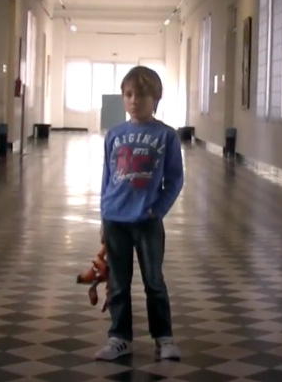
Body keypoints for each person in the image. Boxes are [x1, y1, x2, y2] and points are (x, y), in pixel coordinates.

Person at [95, 66, 184, 361]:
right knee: (118, 282)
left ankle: (164, 337)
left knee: (153, 281)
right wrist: (103, 214)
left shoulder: (166, 135)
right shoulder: (115, 135)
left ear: (156, 98)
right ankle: (120, 337)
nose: (134, 100)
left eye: (142, 95)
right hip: (115, 218)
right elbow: (107, 177)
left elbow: (174, 179)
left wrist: (157, 209)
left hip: (147, 220)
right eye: (129, 94)